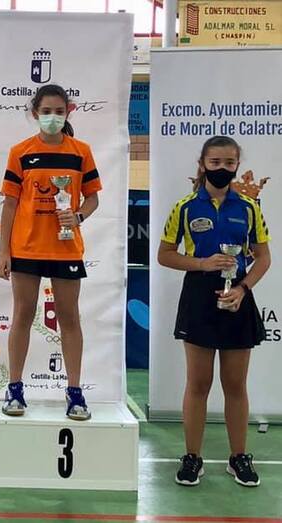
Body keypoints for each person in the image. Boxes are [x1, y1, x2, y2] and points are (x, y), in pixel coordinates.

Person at [158, 136, 270, 487]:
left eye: (229, 163)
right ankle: (192, 457)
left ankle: (239, 457)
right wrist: (202, 263)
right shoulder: (185, 207)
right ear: (203, 164)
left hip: (237, 297)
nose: (222, 168)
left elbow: (263, 257)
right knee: (198, 383)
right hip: (199, 296)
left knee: (235, 384)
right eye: (215, 162)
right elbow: (165, 254)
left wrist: (242, 289)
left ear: (237, 165)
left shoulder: (249, 208)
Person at [0, 84, 102, 420]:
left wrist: (78, 216)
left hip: (66, 249)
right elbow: (10, 204)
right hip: (26, 247)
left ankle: (75, 392)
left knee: (69, 318)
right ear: (35, 113)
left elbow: (92, 198)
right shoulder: (20, 152)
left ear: (68, 112)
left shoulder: (81, 152)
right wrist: (3, 251)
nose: (52, 117)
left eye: (58, 111)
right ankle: (15, 389)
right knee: (23, 315)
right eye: (46, 111)